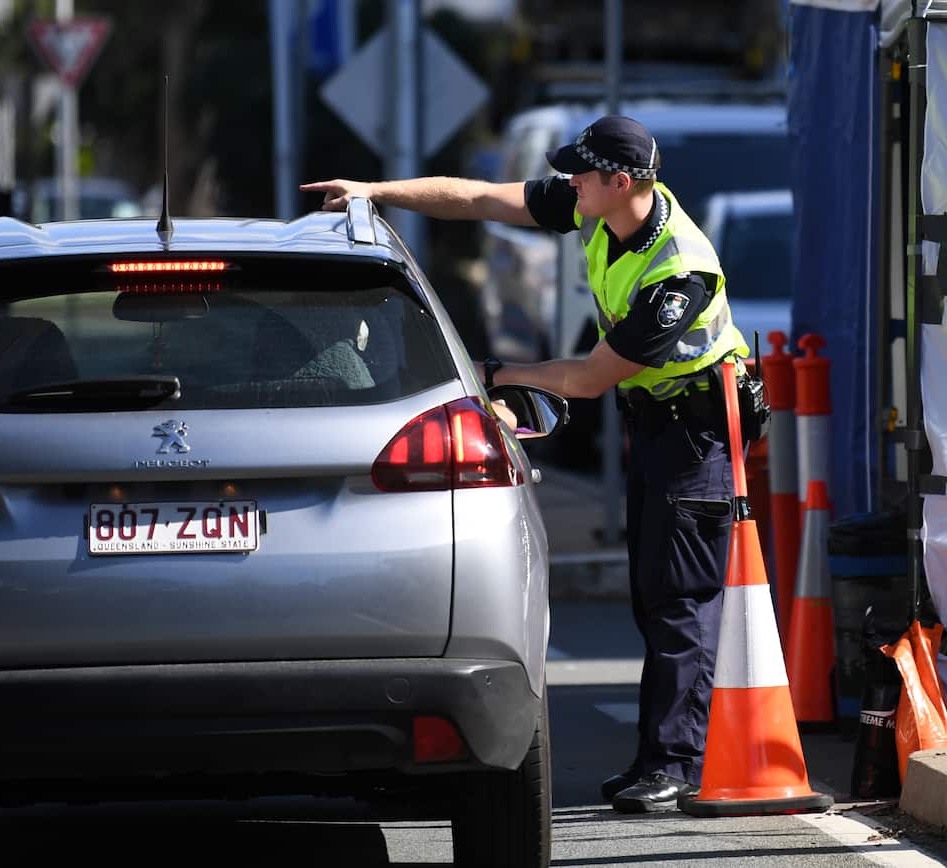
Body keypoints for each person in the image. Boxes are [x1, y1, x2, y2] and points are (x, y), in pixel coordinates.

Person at [302, 115, 749, 814]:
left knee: (677, 605)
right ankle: (661, 758)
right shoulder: (594, 207)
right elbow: (479, 197)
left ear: (620, 181)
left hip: (696, 439)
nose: (569, 182)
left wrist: (496, 372)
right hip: (658, 429)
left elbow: (593, 377)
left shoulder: (677, 274)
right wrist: (377, 190)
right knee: (654, 597)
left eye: (582, 172)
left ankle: (674, 766)